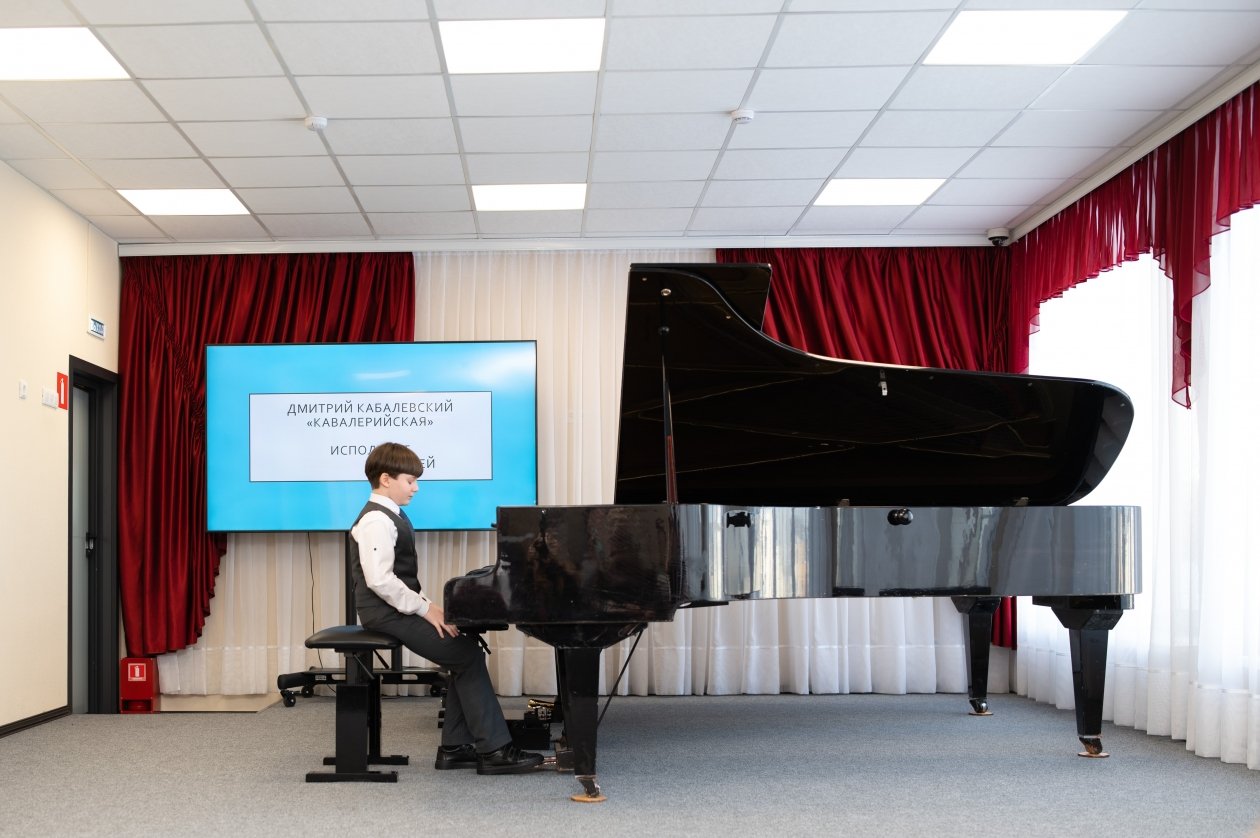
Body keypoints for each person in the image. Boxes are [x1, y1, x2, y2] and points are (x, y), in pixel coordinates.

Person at [348, 441, 543, 775]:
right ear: (385, 479)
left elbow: (402, 581)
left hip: (395, 609)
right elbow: (380, 581)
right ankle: (495, 750)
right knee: (465, 655)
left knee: (463, 650)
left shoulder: (391, 515)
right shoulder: (375, 521)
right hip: (384, 613)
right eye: (410, 481)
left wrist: (431, 607)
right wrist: (425, 610)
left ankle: (455, 748)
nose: (416, 488)